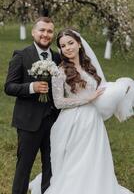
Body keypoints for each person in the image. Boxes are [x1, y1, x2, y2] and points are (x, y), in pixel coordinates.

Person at [29, 28, 134, 194]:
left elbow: (101, 89)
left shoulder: (89, 66)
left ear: (79, 43)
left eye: (71, 43)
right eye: (63, 46)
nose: (68, 48)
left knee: (94, 158)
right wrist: (86, 99)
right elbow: (58, 102)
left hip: (93, 121)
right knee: (75, 160)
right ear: (61, 50)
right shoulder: (60, 71)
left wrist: (118, 90)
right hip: (73, 122)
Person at [4, 17, 61, 194]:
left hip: (54, 121)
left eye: (49, 31)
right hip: (28, 122)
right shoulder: (21, 55)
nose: (45, 34)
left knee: (51, 166)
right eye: (42, 30)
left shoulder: (58, 57)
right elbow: (9, 87)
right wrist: (31, 87)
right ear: (33, 32)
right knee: (24, 167)